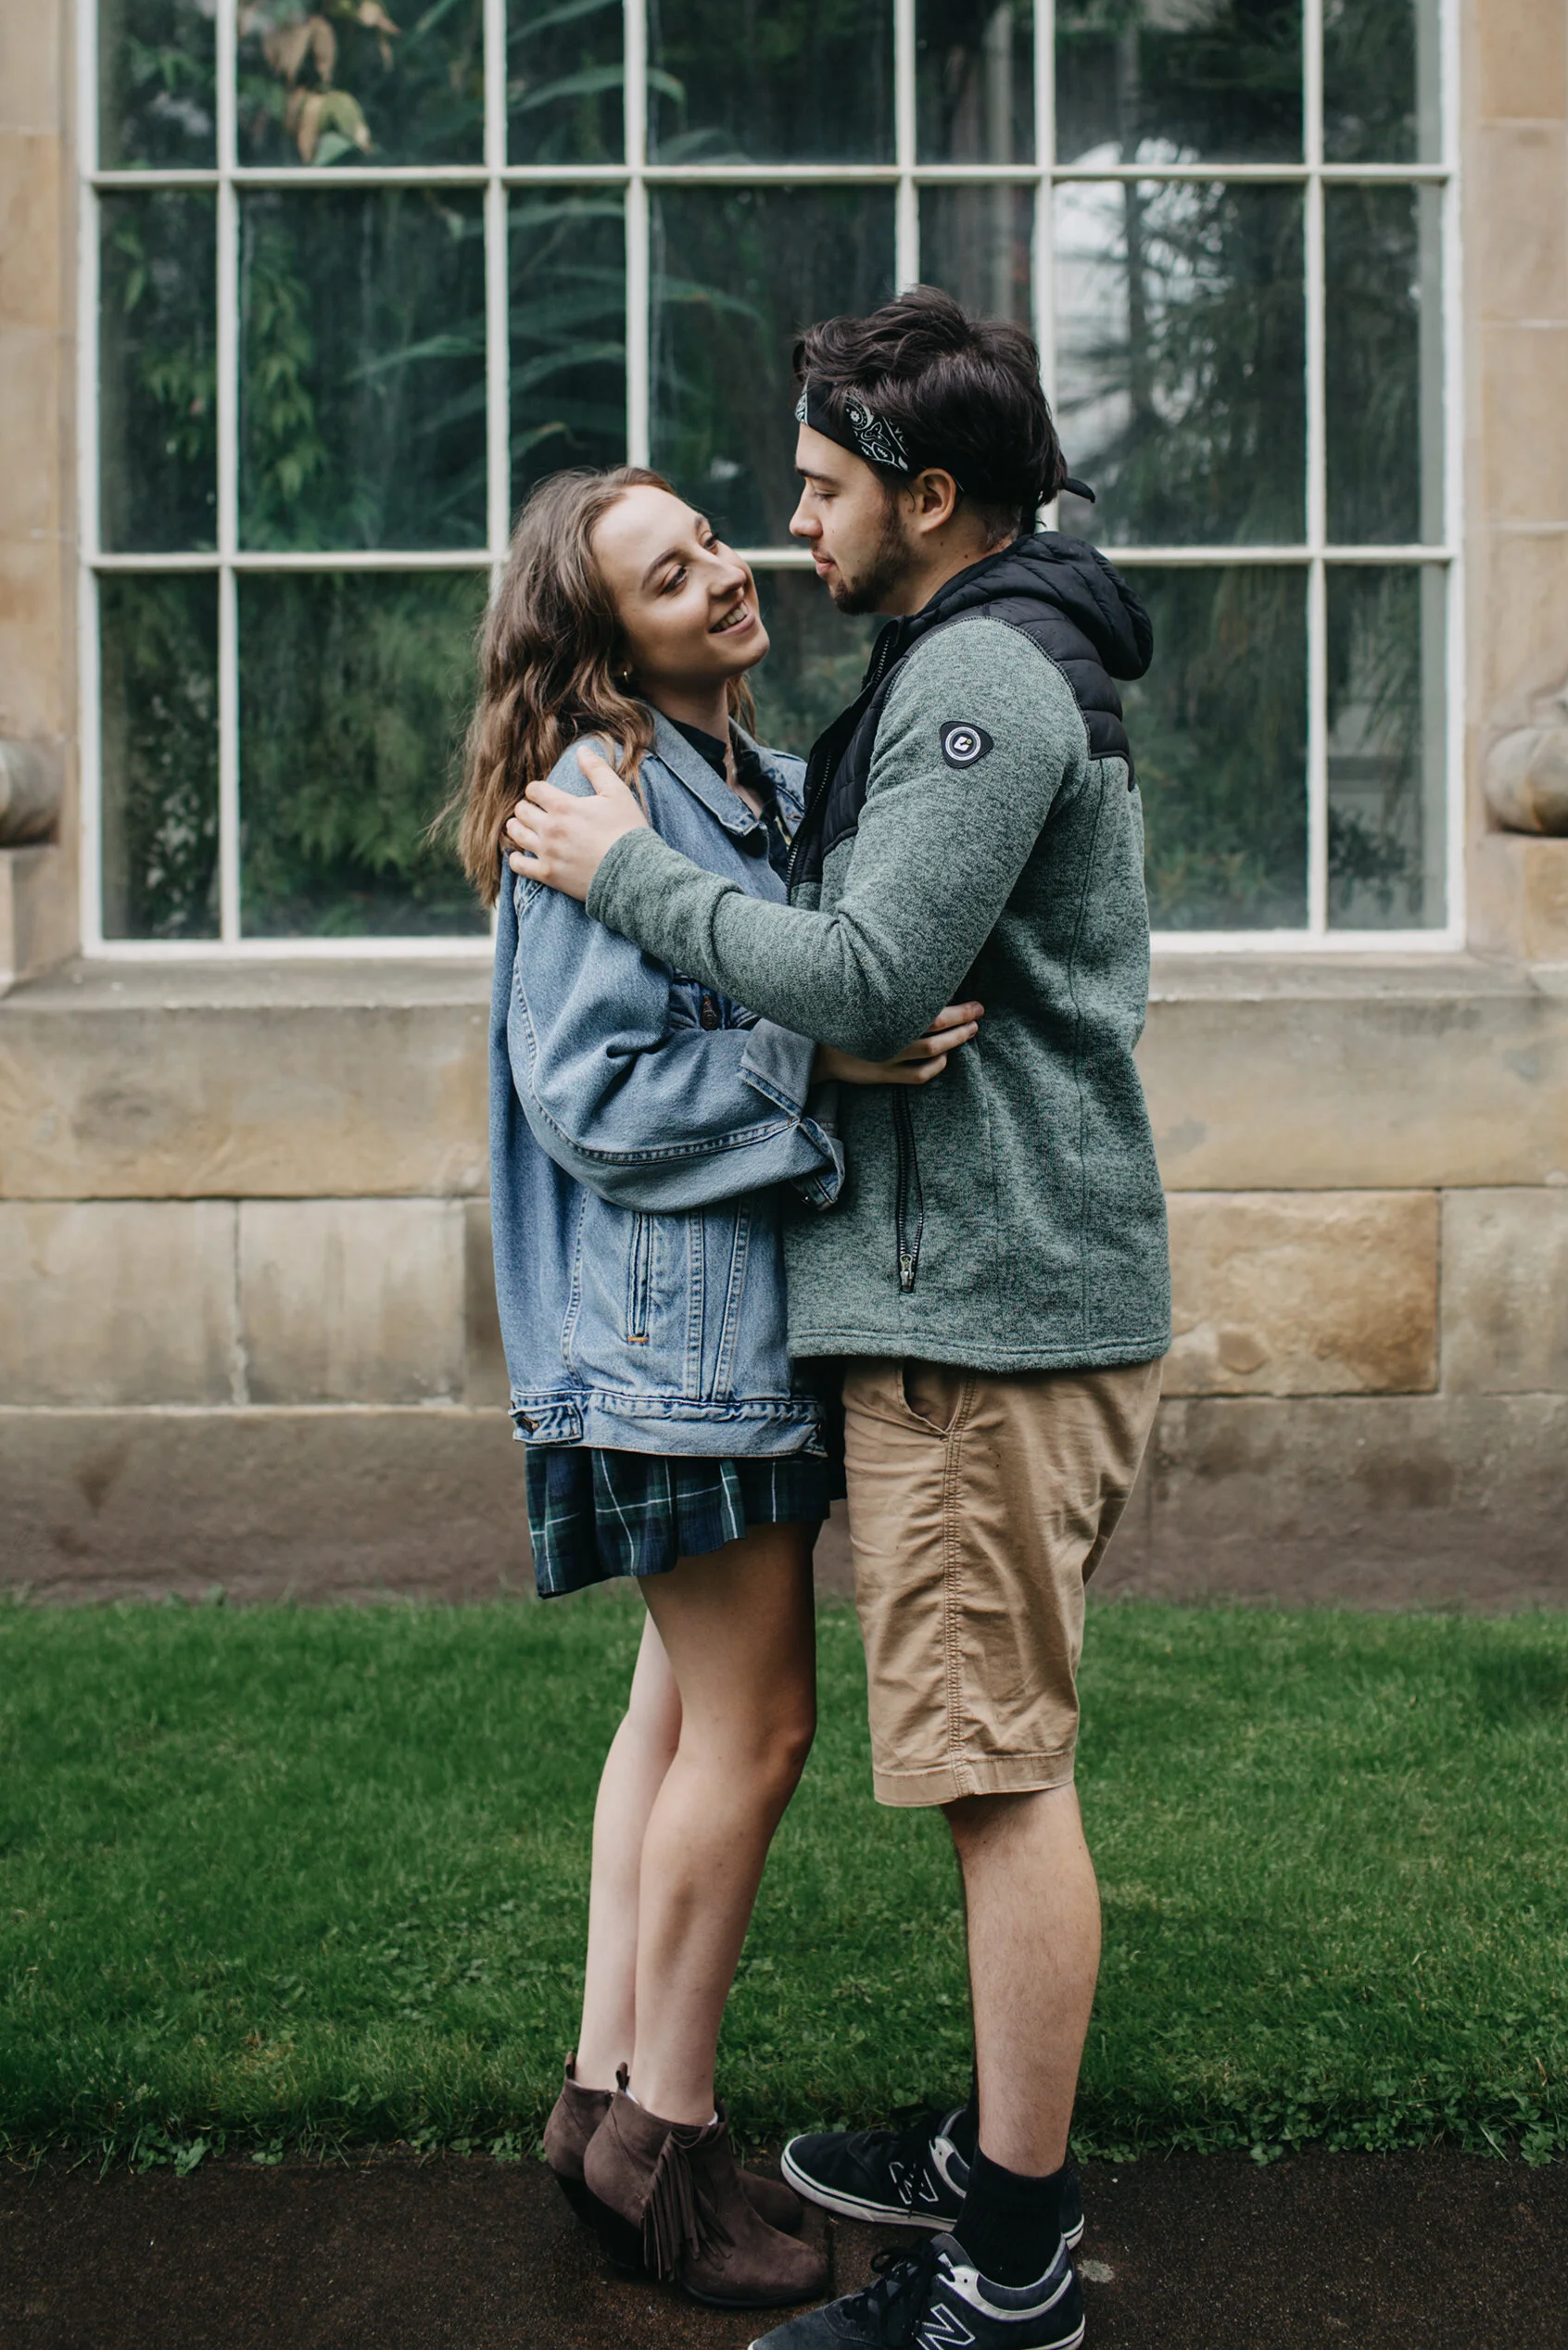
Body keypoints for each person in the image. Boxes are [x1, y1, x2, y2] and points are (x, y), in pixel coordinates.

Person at [504, 290, 1173, 2350]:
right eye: (720, 528)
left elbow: (875, 968)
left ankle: (1007, 2274)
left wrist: (633, 874)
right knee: (800, 1730)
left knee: (994, 1772)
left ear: (931, 493)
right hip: (902, 1306)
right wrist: (640, 864)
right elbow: (724, 1015)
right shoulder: (924, 677)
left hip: (983, 1313)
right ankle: (903, 2156)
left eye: (809, 490)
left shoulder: (970, 684)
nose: (784, 531)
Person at [461, 463, 980, 2316]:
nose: (722, 574)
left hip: (702, 1338)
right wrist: (820, 1055)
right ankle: (668, 2147)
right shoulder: (596, 798)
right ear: (607, 643)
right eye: (667, 575)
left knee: (674, 1720)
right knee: (755, 1736)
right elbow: (589, 1086)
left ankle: (600, 2095)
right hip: (679, 1351)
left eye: (709, 540)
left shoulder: (723, 782)